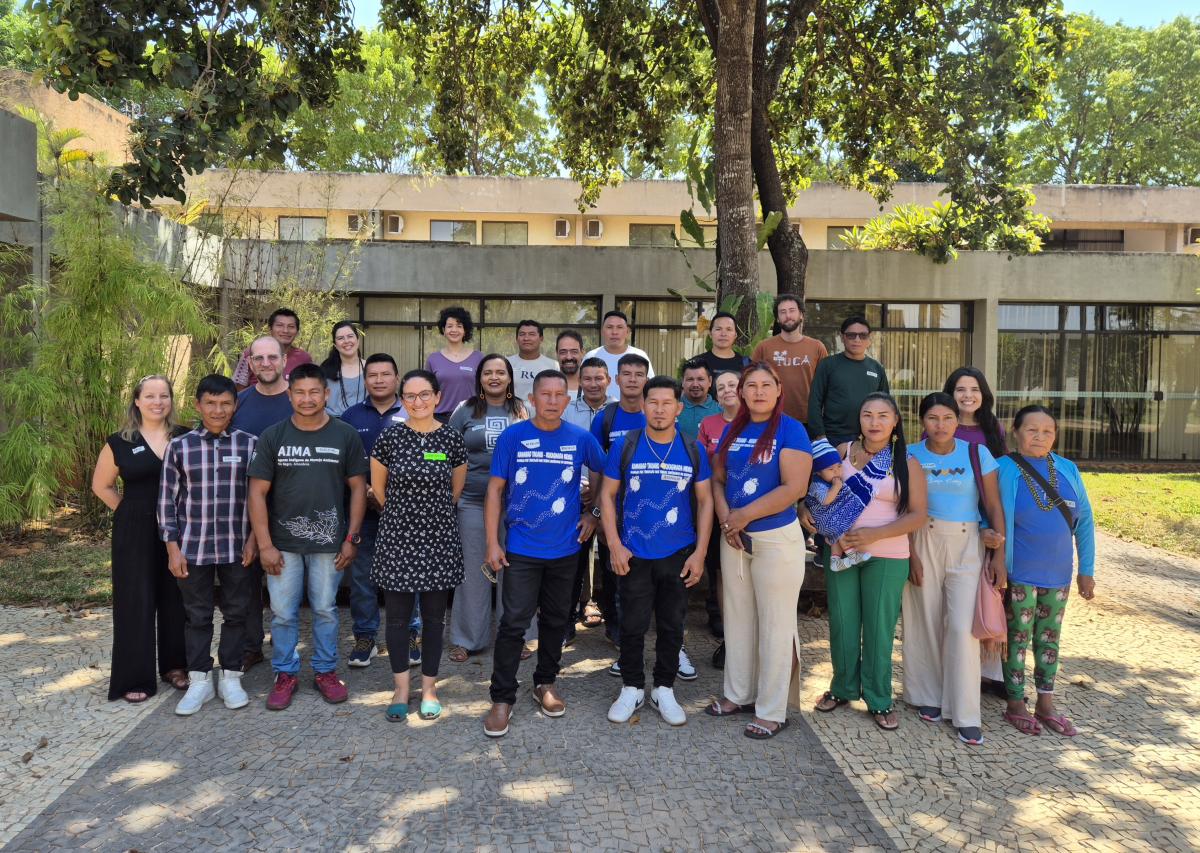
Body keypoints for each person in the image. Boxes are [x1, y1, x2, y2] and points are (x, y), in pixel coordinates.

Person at [482, 370, 605, 738]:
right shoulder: (513, 436)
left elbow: (604, 472)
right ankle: (502, 698)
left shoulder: (581, 438)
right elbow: (494, 492)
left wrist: (594, 514)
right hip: (521, 548)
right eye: (545, 394)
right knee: (513, 623)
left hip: (567, 548)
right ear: (532, 399)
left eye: (559, 394)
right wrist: (492, 542)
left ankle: (545, 683)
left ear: (568, 400)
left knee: (556, 620)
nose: (552, 400)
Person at [247, 363, 368, 710]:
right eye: (299, 392)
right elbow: (256, 493)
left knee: (326, 610)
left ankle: (325, 671)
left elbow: (358, 489)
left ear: (326, 394)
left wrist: (352, 538)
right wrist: (265, 544)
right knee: (284, 613)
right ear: (289, 396)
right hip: (282, 544)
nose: (307, 398)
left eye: (315, 391)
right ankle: (284, 673)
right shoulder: (274, 436)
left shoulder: (344, 434)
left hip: (330, 544)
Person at [707, 363, 812, 738]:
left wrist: (743, 516)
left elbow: (794, 488)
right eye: (751, 385)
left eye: (767, 385)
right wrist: (725, 519)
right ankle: (738, 693)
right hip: (733, 537)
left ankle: (772, 709)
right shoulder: (734, 430)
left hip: (774, 539)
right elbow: (718, 479)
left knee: (775, 624)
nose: (758, 391)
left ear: (779, 389)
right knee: (738, 618)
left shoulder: (791, 429)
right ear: (741, 392)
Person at [810, 393, 926, 732]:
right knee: (843, 623)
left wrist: (875, 535)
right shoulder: (841, 453)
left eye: (882, 416)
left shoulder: (907, 461)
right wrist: (808, 512)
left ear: (895, 422)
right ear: (859, 419)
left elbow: (918, 514)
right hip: (840, 549)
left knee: (878, 627)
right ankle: (843, 686)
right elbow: (816, 491)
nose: (874, 422)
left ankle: (878, 697)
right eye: (867, 415)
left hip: (887, 554)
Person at [600, 376, 712, 726]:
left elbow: (707, 501)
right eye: (653, 402)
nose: (659, 409)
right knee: (631, 624)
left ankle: (664, 687)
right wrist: (614, 545)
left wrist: (700, 553)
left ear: (678, 408)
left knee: (672, 625)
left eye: (667, 403)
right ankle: (632, 687)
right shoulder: (627, 445)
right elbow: (606, 495)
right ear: (643, 405)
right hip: (633, 552)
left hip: (677, 552)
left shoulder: (693, 448)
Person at [902, 393, 1006, 746]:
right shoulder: (910, 455)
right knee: (925, 621)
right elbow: (903, 507)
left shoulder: (977, 453)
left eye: (947, 418)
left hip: (968, 542)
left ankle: (965, 713)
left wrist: (998, 554)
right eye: (933, 418)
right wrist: (910, 553)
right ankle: (928, 696)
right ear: (922, 422)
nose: (941, 425)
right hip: (922, 539)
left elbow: (993, 503)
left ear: (956, 421)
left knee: (963, 628)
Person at [157, 374, 258, 716]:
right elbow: (166, 502)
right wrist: (172, 548)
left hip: (237, 547)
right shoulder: (179, 447)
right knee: (197, 616)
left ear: (235, 406)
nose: (218, 410)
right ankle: (200, 679)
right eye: (210, 403)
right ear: (198, 406)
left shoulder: (249, 444)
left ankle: (231, 676)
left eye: (225, 403)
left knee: (236, 613)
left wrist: (254, 539)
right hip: (192, 548)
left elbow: (260, 499)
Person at [370, 369, 468, 722]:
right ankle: (399, 688)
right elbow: (378, 491)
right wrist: (407, 516)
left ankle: (428, 689)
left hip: (439, 541)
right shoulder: (390, 438)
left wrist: (430, 516)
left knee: (433, 620)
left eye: (424, 394)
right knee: (396, 620)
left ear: (438, 397)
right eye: (410, 396)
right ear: (402, 400)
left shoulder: (451, 441)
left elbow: (455, 490)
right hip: (398, 539)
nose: (418, 402)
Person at [997, 405, 1096, 738]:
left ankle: (1046, 704)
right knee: (1017, 640)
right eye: (1031, 430)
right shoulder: (1003, 469)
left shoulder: (1068, 469)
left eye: (1047, 431)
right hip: (1018, 574)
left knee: (1049, 641)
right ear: (1016, 431)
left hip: (1058, 575)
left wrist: (1087, 569)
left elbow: (1085, 523)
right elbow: (989, 517)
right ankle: (1014, 704)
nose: (1039, 437)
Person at [92, 375, 189, 703]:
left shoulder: (186, 437)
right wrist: (129, 511)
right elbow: (101, 486)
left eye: (164, 396)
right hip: (134, 529)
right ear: (137, 401)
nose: (157, 402)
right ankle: (135, 676)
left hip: (179, 529)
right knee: (136, 600)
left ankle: (176, 666)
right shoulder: (119, 441)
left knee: (177, 597)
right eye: (150, 396)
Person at [447, 355, 532, 662]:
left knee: (516, 571)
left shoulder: (524, 410)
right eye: (488, 373)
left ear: (509, 378)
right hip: (472, 501)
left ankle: (517, 636)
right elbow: (446, 451)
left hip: (516, 504)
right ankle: (467, 638)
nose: (494, 377)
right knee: (474, 570)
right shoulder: (465, 410)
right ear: (479, 378)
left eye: (500, 372)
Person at [937, 366, 1008, 693]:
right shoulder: (939, 429)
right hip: (956, 523)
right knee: (961, 602)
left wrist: (994, 529)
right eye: (961, 390)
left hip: (991, 519)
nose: (968, 396)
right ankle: (956, 668)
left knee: (991, 592)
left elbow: (1000, 481)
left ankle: (992, 672)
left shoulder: (994, 429)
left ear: (984, 394)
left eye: (974, 389)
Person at [230, 335, 294, 672]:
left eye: (272, 357)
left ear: (285, 360)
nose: (266, 364)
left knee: (287, 583)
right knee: (244, 580)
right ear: (251, 363)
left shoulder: (299, 400)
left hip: (290, 506)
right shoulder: (238, 402)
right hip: (244, 505)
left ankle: (289, 650)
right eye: (259, 359)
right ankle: (250, 645)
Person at [340, 354, 408, 668]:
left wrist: (387, 492)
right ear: (365, 380)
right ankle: (365, 637)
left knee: (407, 575)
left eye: (386, 374)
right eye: (373, 375)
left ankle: (410, 634)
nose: (379, 380)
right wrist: (367, 492)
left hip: (406, 511)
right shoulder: (350, 417)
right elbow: (341, 462)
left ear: (397, 377)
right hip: (360, 509)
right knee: (362, 577)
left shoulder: (412, 412)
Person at [590, 353, 650, 663]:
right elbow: (597, 468)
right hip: (612, 508)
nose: (632, 379)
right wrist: (598, 511)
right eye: (626, 374)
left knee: (640, 571)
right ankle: (615, 629)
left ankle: (635, 629)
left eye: (638, 374)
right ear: (617, 379)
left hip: (646, 511)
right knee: (613, 573)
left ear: (645, 379)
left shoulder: (654, 412)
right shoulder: (605, 417)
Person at [562, 356, 610, 634]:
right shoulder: (567, 410)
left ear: (608, 380)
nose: (593, 384)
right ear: (579, 382)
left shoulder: (618, 411)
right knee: (572, 562)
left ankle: (610, 620)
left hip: (611, 498)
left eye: (598, 378)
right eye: (587, 378)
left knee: (609, 560)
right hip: (574, 496)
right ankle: (566, 620)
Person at [697, 369, 742, 652]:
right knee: (723, 572)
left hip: (751, 508)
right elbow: (702, 465)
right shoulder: (709, 423)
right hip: (717, 508)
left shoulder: (755, 422)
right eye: (722, 386)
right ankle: (731, 640)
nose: (727, 390)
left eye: (733, 385)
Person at [806, 316, 889, 447]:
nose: (857, 340)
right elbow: (815, 402)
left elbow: (886, 406)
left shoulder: (877, 368)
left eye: (862, 335)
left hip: (868, 438)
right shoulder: (828, 365)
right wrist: (820, 436)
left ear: (869, 339)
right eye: (851, 335)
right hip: (833, 438)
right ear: (842, 337)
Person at [751, 295, 828, 427]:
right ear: (777, 318)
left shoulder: (817, 347)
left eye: (792, 310)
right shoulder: (763, 347)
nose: (788, 315)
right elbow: (751, 382)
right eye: (783, 312)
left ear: (801, 315)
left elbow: (826, 385)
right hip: (771, 418)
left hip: (808, 419)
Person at [425, 305, 484, 422]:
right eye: (449, 326)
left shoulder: (479, 357)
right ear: (443, 330)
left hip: (472, 417)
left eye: (459, 326)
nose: (454, 330)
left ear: (465, 330)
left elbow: (485, 388)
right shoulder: (433, 359)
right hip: (440, 418)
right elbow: (427, 390)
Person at [232, 308, 312, 391]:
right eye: (280, 325)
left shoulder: (304, 358)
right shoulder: (251, 354)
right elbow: (238, 391)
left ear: (297, 331)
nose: (285, 330)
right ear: (270, 329)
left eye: (291, 326)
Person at [584, 310, 655, 401]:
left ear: (627, 332)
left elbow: (651, 388)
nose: (614, 332)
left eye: (619, 327)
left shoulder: (640, 355)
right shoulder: (591, 356)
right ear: (602, 331)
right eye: (609, 327)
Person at [696, 312, 750, 394]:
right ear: (710, 334)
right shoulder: (697, 363)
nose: (723, 334)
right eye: (718, 329)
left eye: (729, 329)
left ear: (735, 335)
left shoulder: (746, 364)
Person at [321, 321, 366, 416]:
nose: (346, 341)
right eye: (340, 338)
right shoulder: (325, 370)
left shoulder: (370, 368)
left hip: (365, 424)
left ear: (358, 340)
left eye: (350, 336)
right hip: (333, 424)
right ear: (335, 345)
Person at [508, 320, 558, 402]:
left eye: (532, 334)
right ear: (517, 339)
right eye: (522, 334)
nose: (526, 338)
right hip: (512, 412)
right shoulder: (506, 363)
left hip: (543, 414)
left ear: (541, 338)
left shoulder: (553, 366)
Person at [677, 358, 721, 441]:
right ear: (682, 382)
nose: (695, 384)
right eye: (690, 379)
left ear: (710, 381)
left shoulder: (721, 411)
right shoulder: (673, 410)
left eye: (700, 379)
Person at [555, 330, 586, 396]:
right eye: (563, 352)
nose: (569, 357)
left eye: (574, 352)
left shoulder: (593, 388)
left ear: (582, 353)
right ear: (556, 354)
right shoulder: (546, 387)